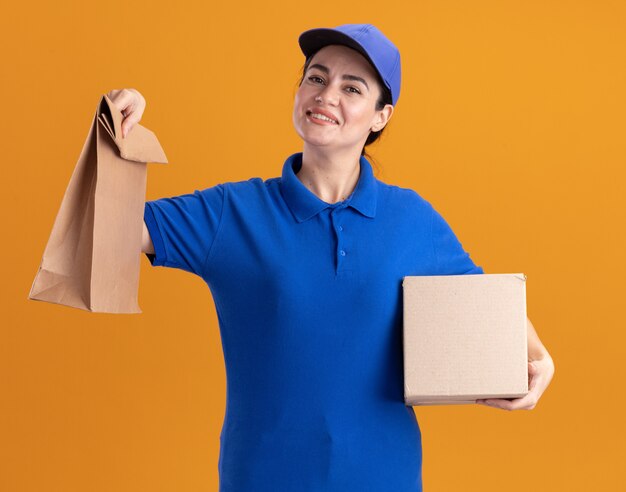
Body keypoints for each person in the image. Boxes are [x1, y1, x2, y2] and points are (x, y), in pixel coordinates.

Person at [108, 24, 555, 492]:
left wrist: (541, 359)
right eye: (316, 79)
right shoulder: (232, 213)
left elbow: (490, 311)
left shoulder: (411, 220)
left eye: (352, 88)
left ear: (380, 116)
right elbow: (110, 233)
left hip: (386, 478)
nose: (326, 95)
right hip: (262, 478)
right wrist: (115, 136)